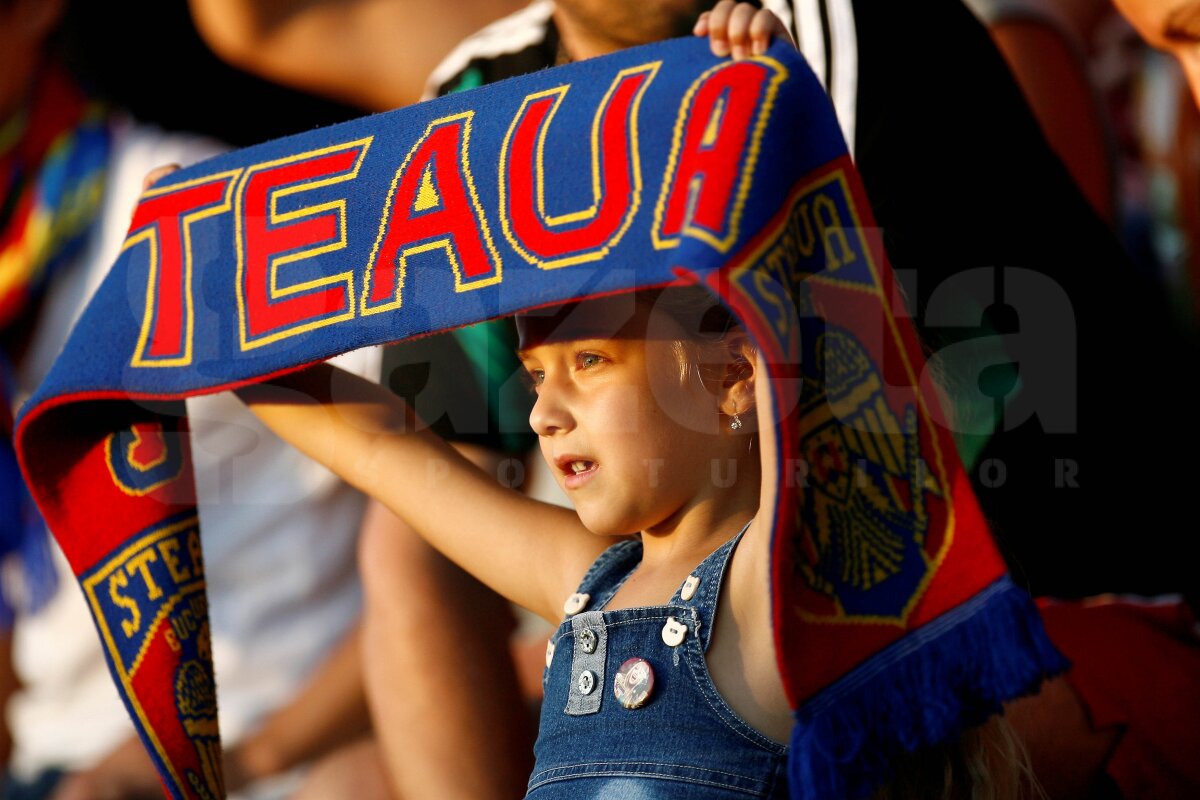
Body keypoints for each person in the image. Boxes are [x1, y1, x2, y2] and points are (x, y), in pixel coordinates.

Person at [0, 2, 377, 798]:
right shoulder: (16, 268)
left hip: (260, 762)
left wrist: (256, 755)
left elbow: (464, 500)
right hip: (48, 758)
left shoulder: (199, 213)